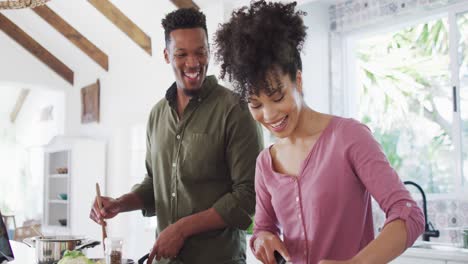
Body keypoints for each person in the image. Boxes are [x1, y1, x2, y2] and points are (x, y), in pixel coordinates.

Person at [214, 1, 425, 263]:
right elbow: (263, 230)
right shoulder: (265, 164)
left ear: (298, 81)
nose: (268, 115)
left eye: (278, 97)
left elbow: (408, 213)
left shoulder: (349, 137)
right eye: (255, 104)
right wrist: (264, 240)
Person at [89, 8, 263, 264]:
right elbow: (155, 183)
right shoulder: (157, 115)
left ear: (209, 51)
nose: (193, 63)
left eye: (200, 52)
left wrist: (181, 229)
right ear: (166, 55)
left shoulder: (236, 110)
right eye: (181, 54)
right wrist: (119, 203)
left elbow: (248, 196)